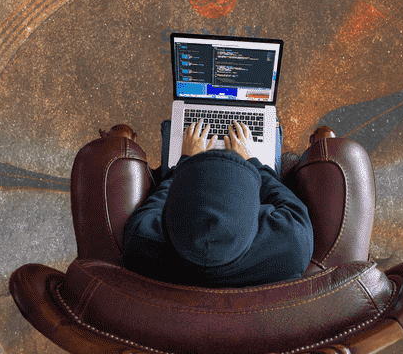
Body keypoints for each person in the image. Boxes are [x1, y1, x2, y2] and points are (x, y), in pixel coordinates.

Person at [120, 120, 313, 288]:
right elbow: (285, 199)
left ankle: (119, 137)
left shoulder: (140, 241)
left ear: (169, 214)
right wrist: (252, 160)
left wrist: (185, 161)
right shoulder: (293, 244)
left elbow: (157, 201)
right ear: (255, 211)